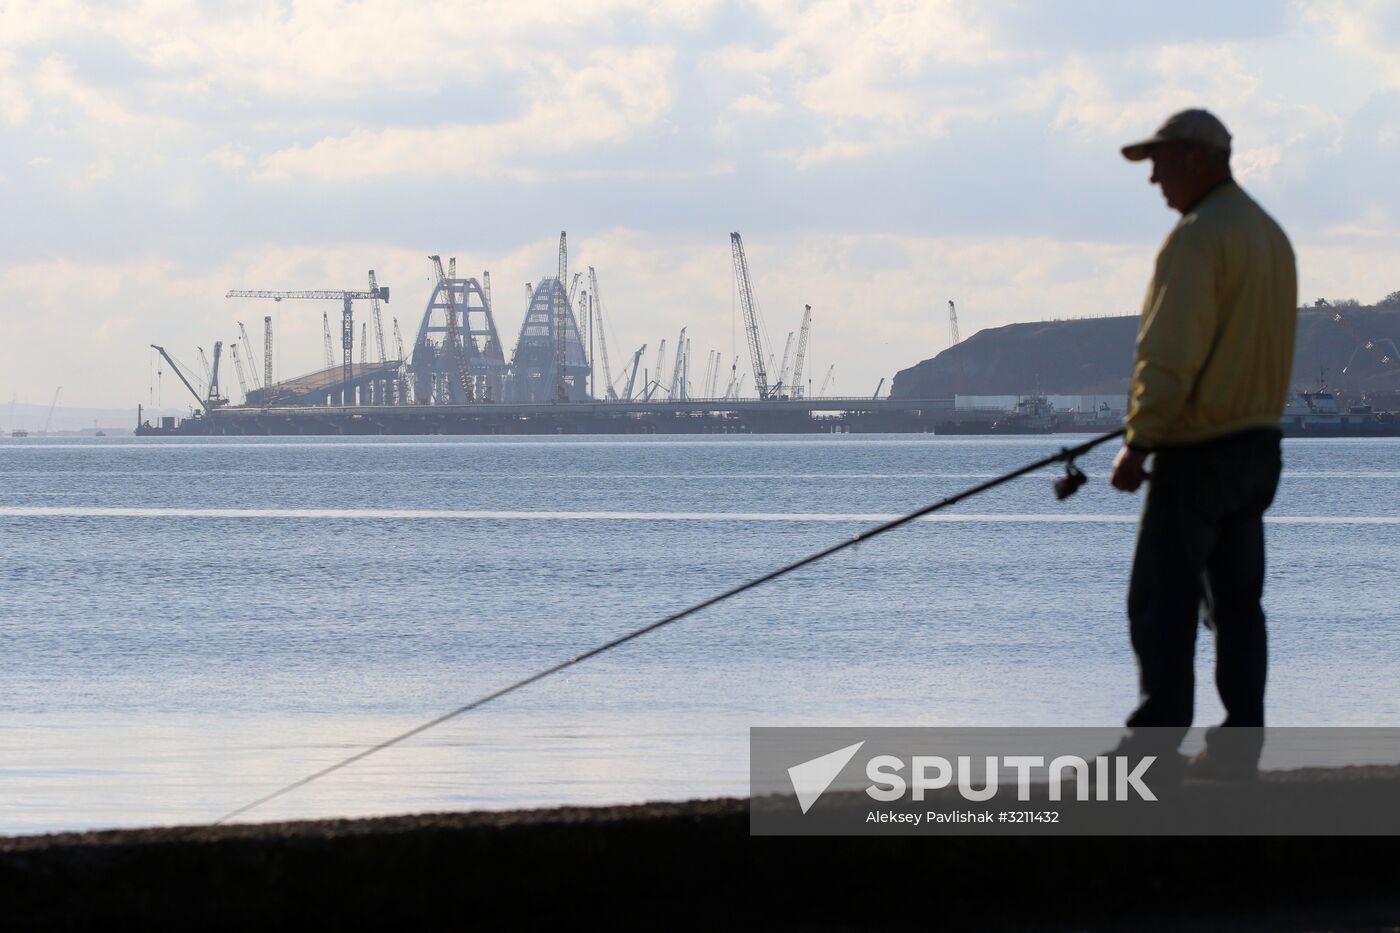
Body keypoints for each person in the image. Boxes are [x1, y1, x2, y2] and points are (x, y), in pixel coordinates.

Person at [1109, 109, 1297, 779]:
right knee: (1239, 605)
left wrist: (1140, 441)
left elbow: (1170, 353)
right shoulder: (1269, 236)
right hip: (1259, 447)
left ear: (1195, 158)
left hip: (1198, 452)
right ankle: (1241, 740)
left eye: (1160, 162)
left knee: (1161, 597)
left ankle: (1154, 748)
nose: (1154, 177)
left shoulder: (1196, 240)